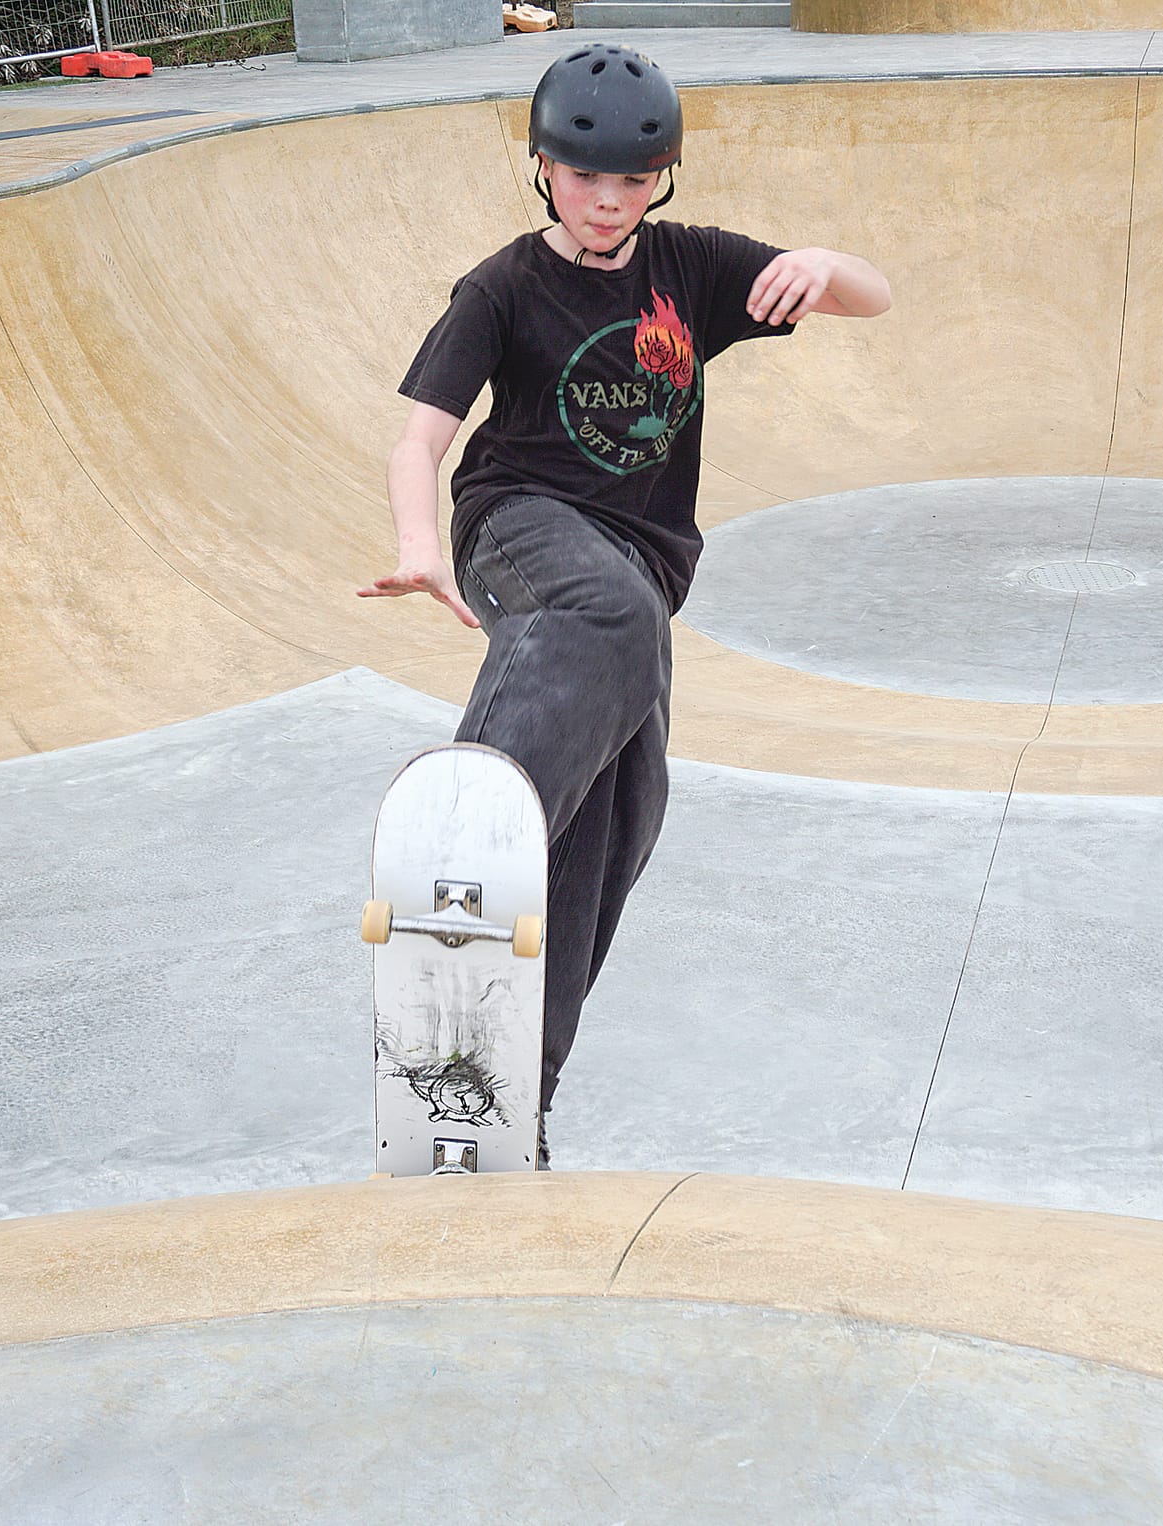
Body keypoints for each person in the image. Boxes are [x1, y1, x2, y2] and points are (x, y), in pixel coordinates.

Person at [358, 44, 891, 1168]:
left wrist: (820, 261)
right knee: (608, 612)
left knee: (619, 823)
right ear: (543, 168)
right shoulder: (502, 288)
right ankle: (469, 847)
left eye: (634, 181)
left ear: (664, 177)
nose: (608, 202)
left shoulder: (690, 268)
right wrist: (418, 547)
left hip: (637, 574)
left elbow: (872, 298)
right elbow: (419, 440)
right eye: (584, 177)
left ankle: (503, 1095)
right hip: (519, 528)